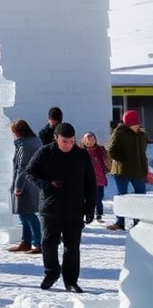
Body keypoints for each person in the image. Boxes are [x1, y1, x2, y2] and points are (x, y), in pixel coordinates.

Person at [25, 123, 97, 292]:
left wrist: (90, 208)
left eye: (72, 141)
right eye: (65, 141)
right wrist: (47, 184)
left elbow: (90, 183)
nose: (68, 145)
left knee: (72, 247)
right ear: (56, 138)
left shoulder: (81, 155)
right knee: (48, 243)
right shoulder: (44, 153)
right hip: (50, 207)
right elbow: (30, 172)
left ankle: (71, 281)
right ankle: (51, 272)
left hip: (75, 208)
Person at [106, 110, 148, 231]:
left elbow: (143, 150)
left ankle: (138, 222)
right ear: (128, 124)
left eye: (137, 123)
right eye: (134, 124)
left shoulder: (141, 133)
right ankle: (120, 222)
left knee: (140, 196)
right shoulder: (119, 132)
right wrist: (123, 159)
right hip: (122, 171)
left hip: (138, 170)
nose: (137, 126)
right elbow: (111, 150)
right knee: (122, 196)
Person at [8, 120, 43, 255]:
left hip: (26, 183)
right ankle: (26, 241)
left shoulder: (25, 145)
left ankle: (37, 242)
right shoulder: (34, 142)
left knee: (28, 213)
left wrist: (18, 185)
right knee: (24, 213)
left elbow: (22, 166)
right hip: (33, 181)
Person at [82, 131, 110, 223]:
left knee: (99, 197)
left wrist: (107, 166)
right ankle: (89, 213)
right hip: (87, 179)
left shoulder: (100, 150)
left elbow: (106, 160)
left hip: (99, 178)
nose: (90, 141)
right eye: (88, 139)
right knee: (88, 197)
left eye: (92, 139)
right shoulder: (82, 152)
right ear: (84, 141)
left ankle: (99, 214)